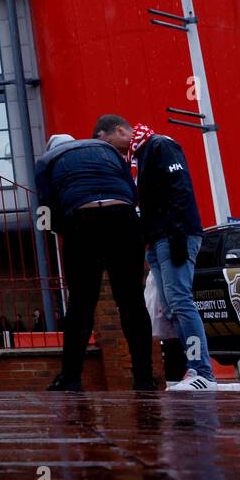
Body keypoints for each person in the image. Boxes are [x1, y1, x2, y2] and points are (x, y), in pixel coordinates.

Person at [95, 116, 213, 392]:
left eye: (109, 143)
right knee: (171, 306)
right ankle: (193, 370)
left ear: (121, 131)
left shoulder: (160, 146)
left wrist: (178, 234)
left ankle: (202, 372)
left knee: (181, 302)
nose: (112, 151)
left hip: (172, 235)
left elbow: (179, 188)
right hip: (158, 239)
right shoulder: (137, 158)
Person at [34, 131, 153, 391]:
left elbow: (47, 206)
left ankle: (71, 378)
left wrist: (69, 229)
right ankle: (144, 378)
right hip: (123, 217)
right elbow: (133, 191)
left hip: (82, 218)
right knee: (132, 300)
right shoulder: (106, 149)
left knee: (80, 303)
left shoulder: (46, 161)